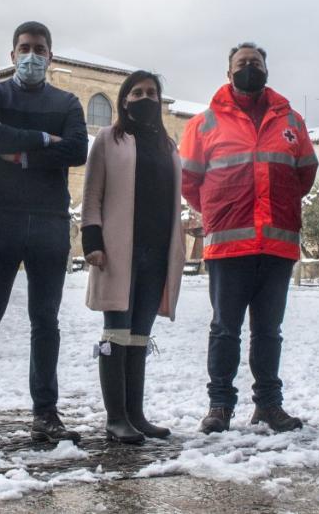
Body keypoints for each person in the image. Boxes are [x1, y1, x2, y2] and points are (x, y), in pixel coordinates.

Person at [0, 22, 88, 448]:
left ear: (51, 55)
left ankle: (45, 414)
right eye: (25, 48)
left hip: (50, 221)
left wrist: (20, 153)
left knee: (45, 322)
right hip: (0, 218)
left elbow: (77, 151)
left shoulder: (67, 101)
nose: (32, 55)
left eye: (40, 49)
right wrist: (43, 141)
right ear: (13, 54)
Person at [179, 42, 317, 434]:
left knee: (269, 331)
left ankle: (269, 405)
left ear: (266, 70)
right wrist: (220, 209)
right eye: (242, 64)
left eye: (255, 63)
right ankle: (220, 405)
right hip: (228, 244)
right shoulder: (203, 124)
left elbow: (303, 175)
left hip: (276, 244)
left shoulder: (291, 120)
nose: (249, 68)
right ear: (229, 73)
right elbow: (189, 183)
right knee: (225, 329)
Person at [82, 71, 186, 444]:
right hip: (118, 251)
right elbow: (92, 193)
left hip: (157, 252)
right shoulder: (110, 139)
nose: (145, 97)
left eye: (152, 92)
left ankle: (136, 414)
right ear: (124, 100)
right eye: (137, 92)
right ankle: (116, 417)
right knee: (116, 333)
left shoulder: (169, 146)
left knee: (140, 336)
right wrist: (91, 238)